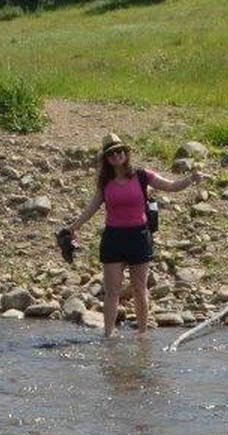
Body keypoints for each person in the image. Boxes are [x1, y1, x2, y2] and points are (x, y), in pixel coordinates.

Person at [61, 133, 202, 337]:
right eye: (111, 153)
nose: (116, 155)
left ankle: (142, 334)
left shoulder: (142, 175)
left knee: (139, 289)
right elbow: (92, 207)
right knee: (112, 292)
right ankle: (108, 334)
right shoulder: (105, 183)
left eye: (120, 151)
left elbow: (170, 186)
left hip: (138, 236)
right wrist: (74, 227)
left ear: (126, 153)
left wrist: (191, 178)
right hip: (113, 238)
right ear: (107, 159)